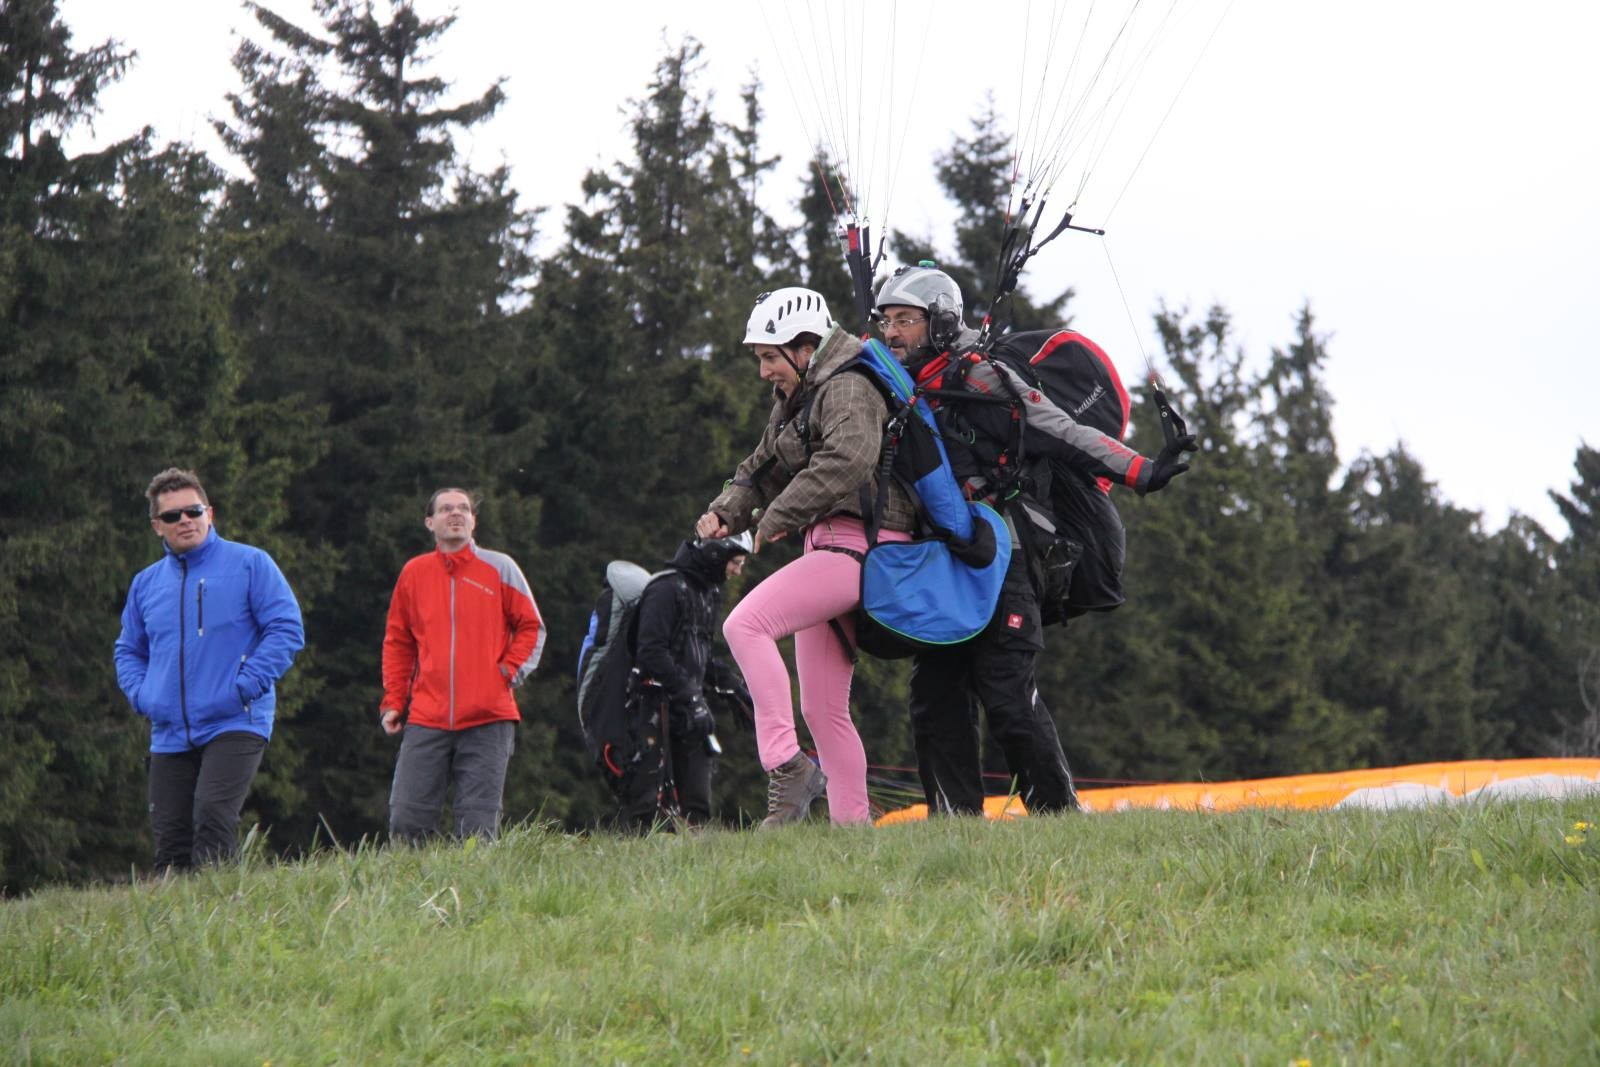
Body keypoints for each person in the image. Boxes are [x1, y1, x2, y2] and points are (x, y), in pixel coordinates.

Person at [873, 264, 1196, 816]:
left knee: (1006, 695)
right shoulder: (897, 390)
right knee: (935, 696)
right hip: (945, 563)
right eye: (887, 321)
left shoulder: (980, 377)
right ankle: (955, 827)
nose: (892, 332)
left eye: (906, 319)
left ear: (941, 321)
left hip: (1008, 560)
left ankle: (1058, 814)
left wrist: (1141, 470)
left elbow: (1059, 430)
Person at [696, 287, 916, 827]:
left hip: (862, 548)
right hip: (831, 546)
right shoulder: (795, 398)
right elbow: (760, 469)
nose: (764, 371)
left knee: (745, 625)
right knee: (822, 709)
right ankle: (853, 834)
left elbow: (847, 461)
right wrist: (725, 513)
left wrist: (770, 521)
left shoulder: (849, 387)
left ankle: (786, 764)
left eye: (770, 357)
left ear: (805, 348)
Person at [114, 467, 305, 871]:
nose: (185, 520)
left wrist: (245, 686)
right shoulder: (146, 584)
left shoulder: (250, 563)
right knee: (170, 842)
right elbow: (128, 650)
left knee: (213, 815)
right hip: (169, 729)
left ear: (209, 513)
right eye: (172, 515)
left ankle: (221, 905)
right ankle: (178, 912)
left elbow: (286, 629)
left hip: (235, 718)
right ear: (157, 526)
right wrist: (143, 695)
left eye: (193, 511)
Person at [379, 488, 545, 843]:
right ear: (430, 523)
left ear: (473, 521)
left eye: (463, 509)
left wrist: (508, 671)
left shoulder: (500, 567)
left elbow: (532, 627)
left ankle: (474, 882)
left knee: (477, 830)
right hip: (427, 717)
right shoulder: (413, 573)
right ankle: (410, 881)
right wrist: (394, 700)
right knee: (407, 819)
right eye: (446, 509)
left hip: (489, 718)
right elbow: (398, 642)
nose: (456, 514)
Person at [618, 533, 754, 831]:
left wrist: (731, 684)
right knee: (646, 801)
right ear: (716, 554)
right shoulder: (666, 589)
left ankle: (694, 852)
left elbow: (697, 654)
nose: (737, 571)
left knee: (697, 801)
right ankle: (639, 852)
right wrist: (690, 695)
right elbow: (650, 652)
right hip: (652, 706)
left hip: (688, 706)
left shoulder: (707, 593)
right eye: (735, 562)